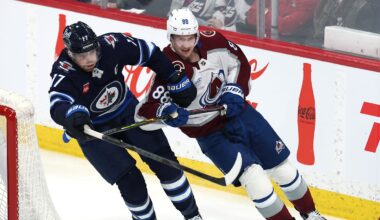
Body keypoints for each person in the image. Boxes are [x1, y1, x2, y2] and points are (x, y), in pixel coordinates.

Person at [137, 8, 327, 220]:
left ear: (196, 34)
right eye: (179, 38)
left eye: (189, 37)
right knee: (256, 180)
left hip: (241, 116)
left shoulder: (214, 41)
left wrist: (234, 90)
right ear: (170, 37)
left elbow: (239, 64)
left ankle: (311, 214)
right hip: (210, 135)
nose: (185, 44)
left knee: (284, 171)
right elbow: (144, 114)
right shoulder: (167, 66)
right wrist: (167, 112)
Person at [48, 21, 202, 220]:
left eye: (91, 52)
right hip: (93, 130)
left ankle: (193, 216)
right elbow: (58, 103)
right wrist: (72, 115)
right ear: (69, 53)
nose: (88, 59)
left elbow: (149, 52)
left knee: (166, 163)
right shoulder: (64, 70)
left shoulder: (112, 45)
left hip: (128, 112)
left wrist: (173, 77)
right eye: (81, 55)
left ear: (97, 45)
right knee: (131, 181)